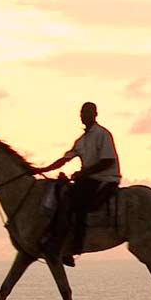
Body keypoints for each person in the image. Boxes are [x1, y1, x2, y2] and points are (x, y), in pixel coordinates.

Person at [44, 102, 120, 266]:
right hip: (89, 178)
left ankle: (73, 247)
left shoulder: (102, 134)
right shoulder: (81, 140)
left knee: (73, 203)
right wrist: (41, 169)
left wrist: (83, 173)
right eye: (81, 113)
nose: (83, 115)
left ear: (95, 114)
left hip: (105, 178)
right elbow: (65, 159)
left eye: (86, 112)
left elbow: (107, 161)